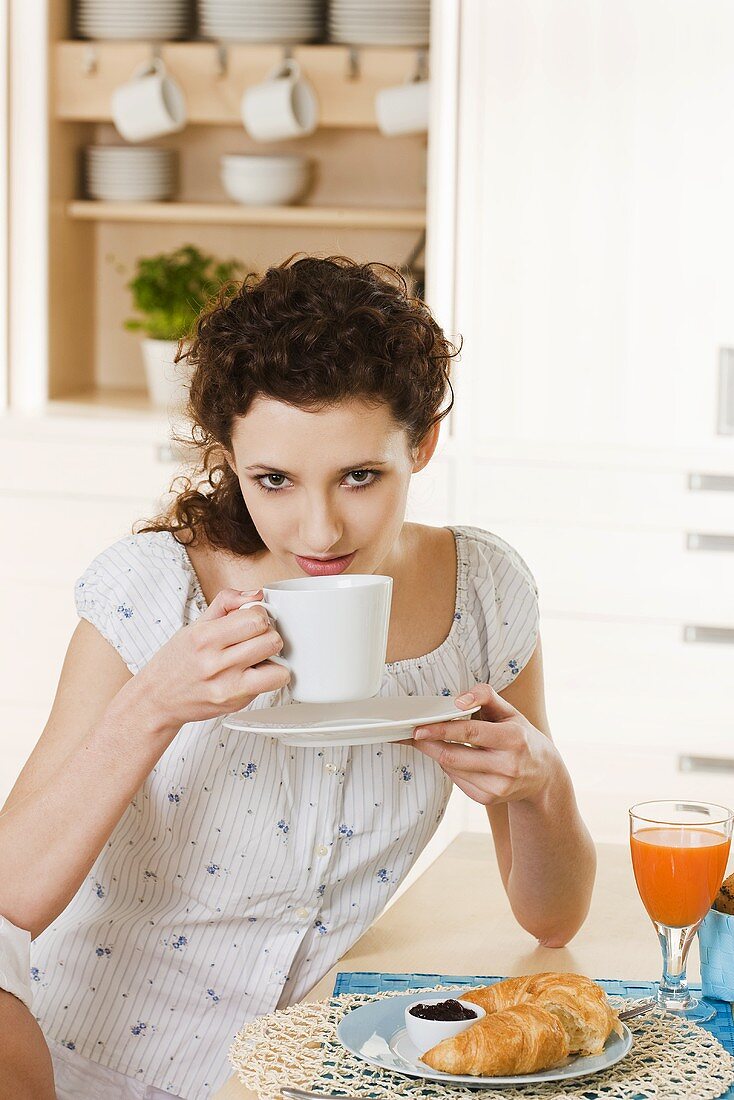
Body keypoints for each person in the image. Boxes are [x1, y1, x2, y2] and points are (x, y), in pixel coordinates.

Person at [0, 256, 596, 1099]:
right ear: (229, 458)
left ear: (422, 442)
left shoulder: (484, 595)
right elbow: (6, 896)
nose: (318, 529)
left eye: (360, 476)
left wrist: (539, 781)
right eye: (272, 480)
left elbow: (552, 917)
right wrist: (154, 705)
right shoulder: (152, 591)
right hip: (91, 1065)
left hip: (310, 1073)